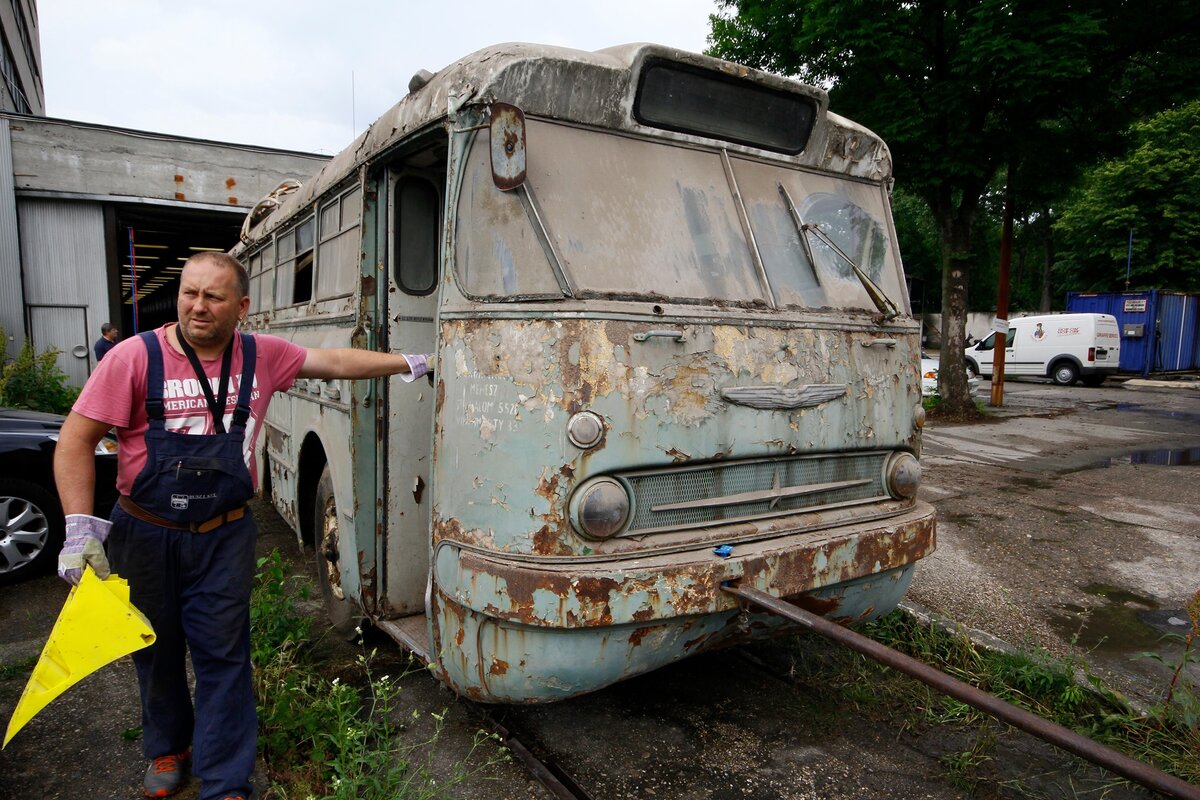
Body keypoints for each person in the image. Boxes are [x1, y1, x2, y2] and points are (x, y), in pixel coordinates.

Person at [53, 252, 430, 800]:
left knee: (222, 655)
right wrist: (79, 529)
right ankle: (167, 747)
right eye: (189, 293)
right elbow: (75, 441)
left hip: (223, 534)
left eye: (213, 296)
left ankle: (226, 778)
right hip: (145, 530)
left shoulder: (263, 355)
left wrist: (409, 361)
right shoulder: (134, 357)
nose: (197, 306)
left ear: (242, 306)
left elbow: (336, 362)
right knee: (153, 649)